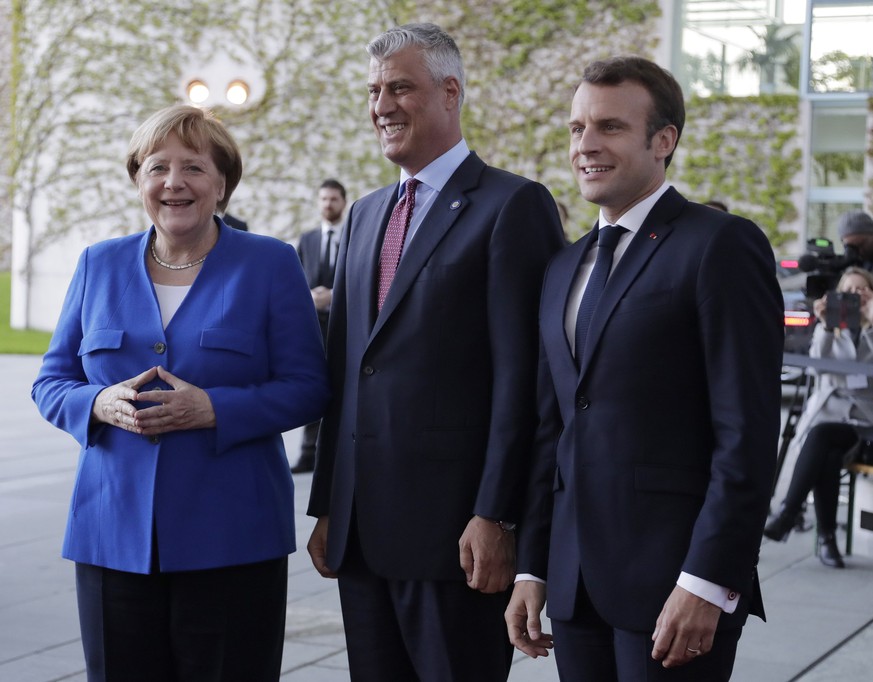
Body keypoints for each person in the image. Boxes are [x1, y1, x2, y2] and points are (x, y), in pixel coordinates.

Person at [506, 56, 783, 680]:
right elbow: (554, 430)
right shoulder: (562, 267)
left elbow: (747, 434)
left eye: (609, 127)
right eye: (577, 128)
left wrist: (708, 580)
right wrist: (534, 565)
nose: (586, 145)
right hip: (576, 587)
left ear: (664, 141)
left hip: (675, 585)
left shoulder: (720, 245)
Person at [31, 104, 330, 682]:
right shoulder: (98, 263)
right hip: (110, 536)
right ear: (138, 180)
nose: (173, 183)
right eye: (156, 168)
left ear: (222, 183)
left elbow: (308, 387)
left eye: (193, 167)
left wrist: (214, 408)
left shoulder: (270, 263)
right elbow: (51, 381)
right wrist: (95, 403)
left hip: (232, 538)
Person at [305, 22, 565, 682]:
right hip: (362, 535)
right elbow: (349, 371)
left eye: (399, 87)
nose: (380, 105)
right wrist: (331, 505)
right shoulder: (364, 215)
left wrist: (498, 515)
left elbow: (523, 380)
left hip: (457, 537)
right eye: (372, 90)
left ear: (450, 92)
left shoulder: (513, 206)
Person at [765, 266, 873, 568]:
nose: (855, 297)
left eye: (861, 290)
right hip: (829, 417)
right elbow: (817, 368)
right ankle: (827, 541)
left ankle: (787, 514)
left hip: (865, 423)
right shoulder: (833, 327)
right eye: (848, 291)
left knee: (822, 437)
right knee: (826, 449)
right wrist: (825, 326)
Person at [293, 178, 347, 474]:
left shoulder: (355, 233)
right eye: (323, 199)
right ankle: (307, 454)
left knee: (344, 386)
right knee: (312, 381)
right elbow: (297, 278)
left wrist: (334, 296)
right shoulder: (308, 239)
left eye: (333, 199)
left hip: (346, 323)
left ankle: (342, 454)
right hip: (312, 324)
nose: (328, 204)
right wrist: (309, 297)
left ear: (343, 202)